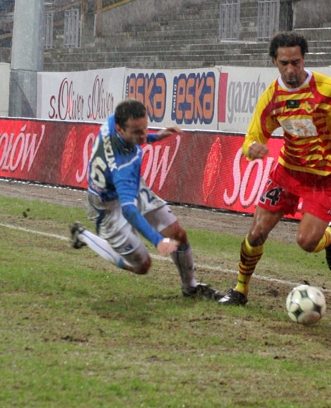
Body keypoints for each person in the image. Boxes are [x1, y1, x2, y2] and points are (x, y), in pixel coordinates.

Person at [217, 31, 331, 307]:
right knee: (256, 233)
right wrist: (252, 149)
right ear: (274, 61)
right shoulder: (271, 98)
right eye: (284, 63)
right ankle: (240, 289)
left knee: (307, 242)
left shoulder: (328, 90)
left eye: (296, 62)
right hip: (288, 172)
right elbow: (251, 138)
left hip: (326, 177)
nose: (291, 69)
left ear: (304, 59)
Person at [70, 98, 221, 299]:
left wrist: (154, 137)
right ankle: (82, 235)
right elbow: (129, 211)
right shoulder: (123, 165)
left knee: (178, 234)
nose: (142, 135)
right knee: (142, 266)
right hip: (105, 208)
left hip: (127, 186)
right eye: (136, 132)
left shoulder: (110, 123)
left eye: (144, 129)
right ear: (120, 130)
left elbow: (136, 136)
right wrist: (158, 241)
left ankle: (191, 287)